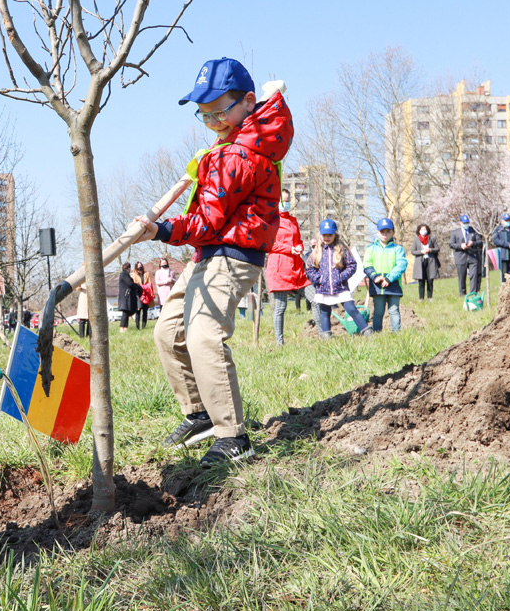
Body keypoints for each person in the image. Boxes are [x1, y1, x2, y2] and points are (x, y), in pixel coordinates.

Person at [135, 57, 292, 465]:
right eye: (204, 115)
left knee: (204, 334)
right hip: (208, 253)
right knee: (168, 332)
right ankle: (200, 414)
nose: (213, 121)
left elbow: (207, 220)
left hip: (232, 254)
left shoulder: (241, 154)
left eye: (221, 112)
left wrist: (162, 231)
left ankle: (233, 435)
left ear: (249, 102)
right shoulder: (229, 145)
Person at [266, 189, 318, 345]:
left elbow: (298, 240)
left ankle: (323, 335)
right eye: (283, 200)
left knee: (315, 299)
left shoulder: (293, 221)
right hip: (280, 269)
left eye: (288, 200)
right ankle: (279, 343)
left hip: (297, 270)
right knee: (280, 307)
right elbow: (269, 244)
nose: (285, 203)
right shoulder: (270, 220)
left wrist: (300, 247)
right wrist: (289, 249)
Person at [306, 220, 371, 339]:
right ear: (320, 235)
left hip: (340, 288)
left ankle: (366, 331)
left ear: (335, 234)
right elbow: (309, 268)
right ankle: (326, 336)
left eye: (329, 235)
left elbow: (352, 265)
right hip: (323, 289)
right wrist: (318, 279)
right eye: (324, 235)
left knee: (351, 309)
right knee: (325, 313)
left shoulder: (342, 249)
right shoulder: (316, 251)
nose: (327, 237)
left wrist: (341, 277)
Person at [364, 218, 408, 333]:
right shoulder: (370, 249)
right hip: (377, 286)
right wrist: (374, 276)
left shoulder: (398, 249)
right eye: (382, 232)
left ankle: (396, 333)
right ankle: (377, 333)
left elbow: (401, 264)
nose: (385, 234)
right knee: (378, 311)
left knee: (394, 310)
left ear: (393, 232)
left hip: (393, 285)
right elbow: (367, 264)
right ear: (377, 232)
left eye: (388, 231)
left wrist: (390, 278)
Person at [449, 214, 482, 296]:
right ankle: (462, 293)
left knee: (474, 275)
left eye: (467, 222)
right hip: (461, 257)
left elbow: (480, 242)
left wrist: (473, 243)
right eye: (464, 223)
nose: (466, 224)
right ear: (460, 223)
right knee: (462, 277)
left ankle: (473, 293)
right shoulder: (455, 232)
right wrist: (460, 245)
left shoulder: (474, 231)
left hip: (473, 257)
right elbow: (451, 244)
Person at [410, 223, 441, 301]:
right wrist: (421, 251)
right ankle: (421, 298)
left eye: (425, 229)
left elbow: (437, 248)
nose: (423, 231)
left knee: (430, 280)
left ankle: (430, 297)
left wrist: (430, 250)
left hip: (430, 261)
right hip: (420, 262)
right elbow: (413, 251)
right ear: (419, 231)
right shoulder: (416, 239)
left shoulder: (431, 238)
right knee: (421, 281)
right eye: (422, 229)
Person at [117, 261, 141, 332]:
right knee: (125, 312)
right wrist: (137, 286)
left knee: (126, 312)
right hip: (125, 296)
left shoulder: (124, 274)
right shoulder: (124, 274)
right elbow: (130, 283)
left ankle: (125, 328)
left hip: (125, 296)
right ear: (129, 268)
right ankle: (122, 328)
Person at [132, 261, 153, 329]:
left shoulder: (146, 274)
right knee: (138, 310)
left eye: (141, 266)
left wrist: (146, 287)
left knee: (145, 310)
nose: (140, 267)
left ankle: (144, 326)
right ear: (136, 267)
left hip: (146, 294)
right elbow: (134, 284)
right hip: (139, 294)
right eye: (138, 266)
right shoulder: (134, 275)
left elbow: (149, 283)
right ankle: (137, 326)